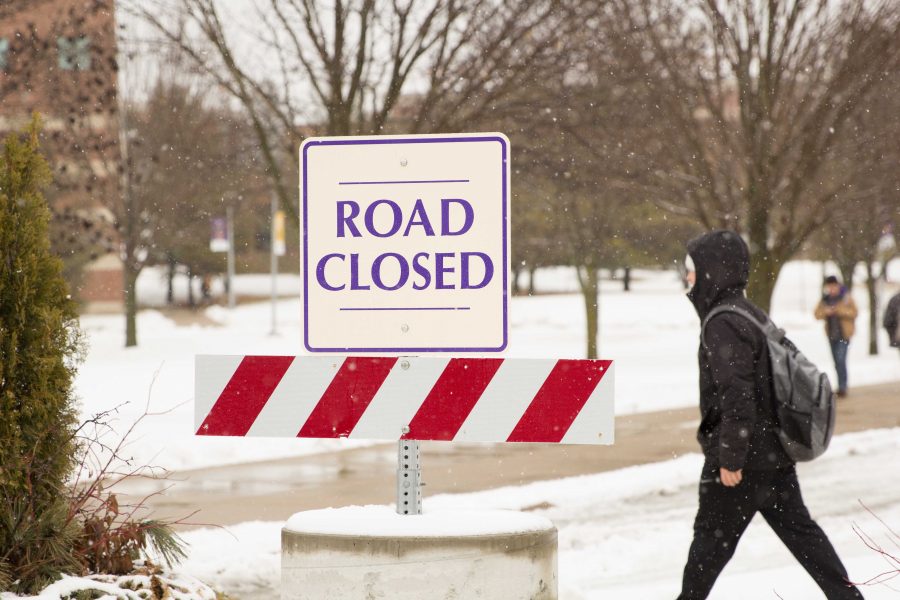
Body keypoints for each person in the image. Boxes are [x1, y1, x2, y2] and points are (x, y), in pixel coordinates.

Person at [677, 230, 863, 600]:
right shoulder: (748, 313)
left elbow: (737, 393)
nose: (688, 279)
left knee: (707, 551)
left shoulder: (722, 322)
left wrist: (730, 457)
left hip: (740, 463)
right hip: (773, 454)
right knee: (804, 537)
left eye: (692, 270)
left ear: (713, 270)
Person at [814, 275, 858, 397]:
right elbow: (816, 314)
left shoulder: (846, 298)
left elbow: (854, 312)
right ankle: (840, 385)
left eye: (833, 286)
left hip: (844, 335)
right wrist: (825, 312)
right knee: (836, 361)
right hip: (831, 335)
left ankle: (843, 387)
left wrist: (839, 311)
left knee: (841, 360)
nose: (832, 289)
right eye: (829, 287)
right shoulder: (825, 299)